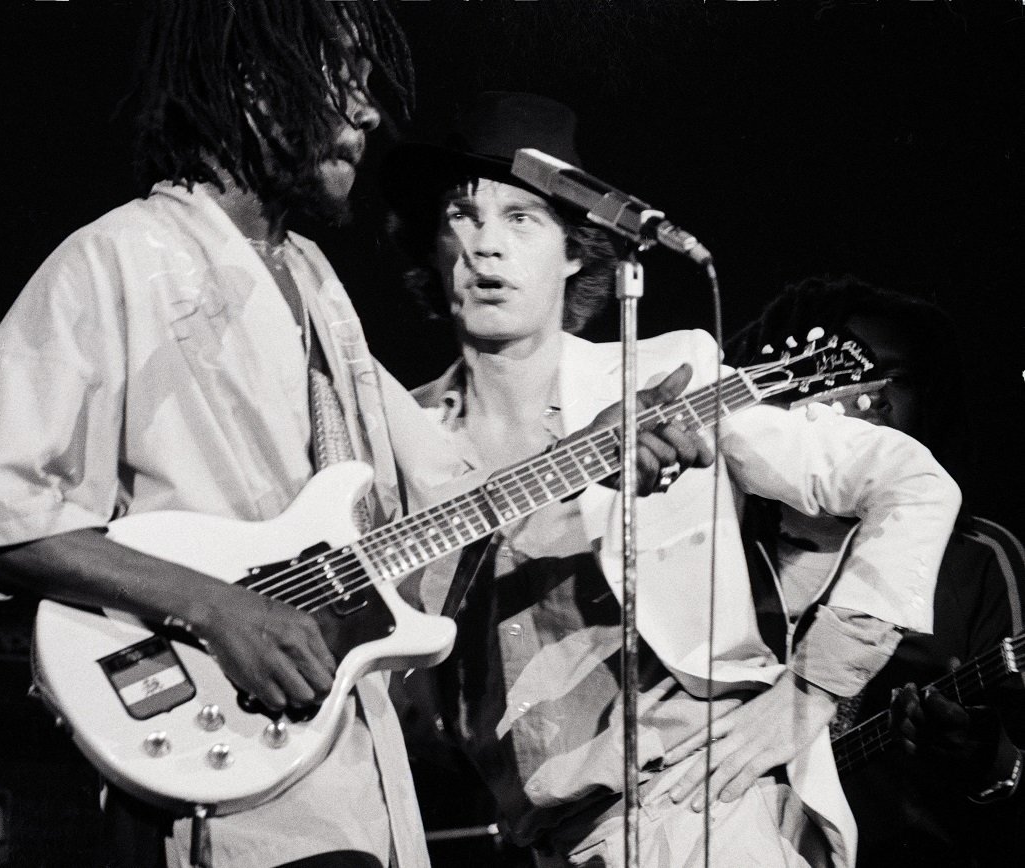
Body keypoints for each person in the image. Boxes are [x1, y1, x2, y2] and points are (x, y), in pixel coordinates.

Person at [0, 3, 460, 867]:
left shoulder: (318, 284)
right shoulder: (117, 256)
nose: (367, 112)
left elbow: (458, 487)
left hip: (350, 764)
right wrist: (215, 604)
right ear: (255, 86)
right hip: (211, 765)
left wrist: (607, 443)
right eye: (340, 78)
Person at [378, 92, 962, 868]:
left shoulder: (663, 374)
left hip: (705, 811)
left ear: (577, 249)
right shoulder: (394, 433)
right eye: (464, 214)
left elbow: (913, 482)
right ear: (433, 241)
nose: (488, 247)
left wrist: (811, 692)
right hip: (554, 843)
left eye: (522, 219)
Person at [728, 276, 1025, 868]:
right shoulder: (719, 543)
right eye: (850, 368)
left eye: (904, 378)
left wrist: (984, 755)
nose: (879, 395)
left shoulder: (977, 558)